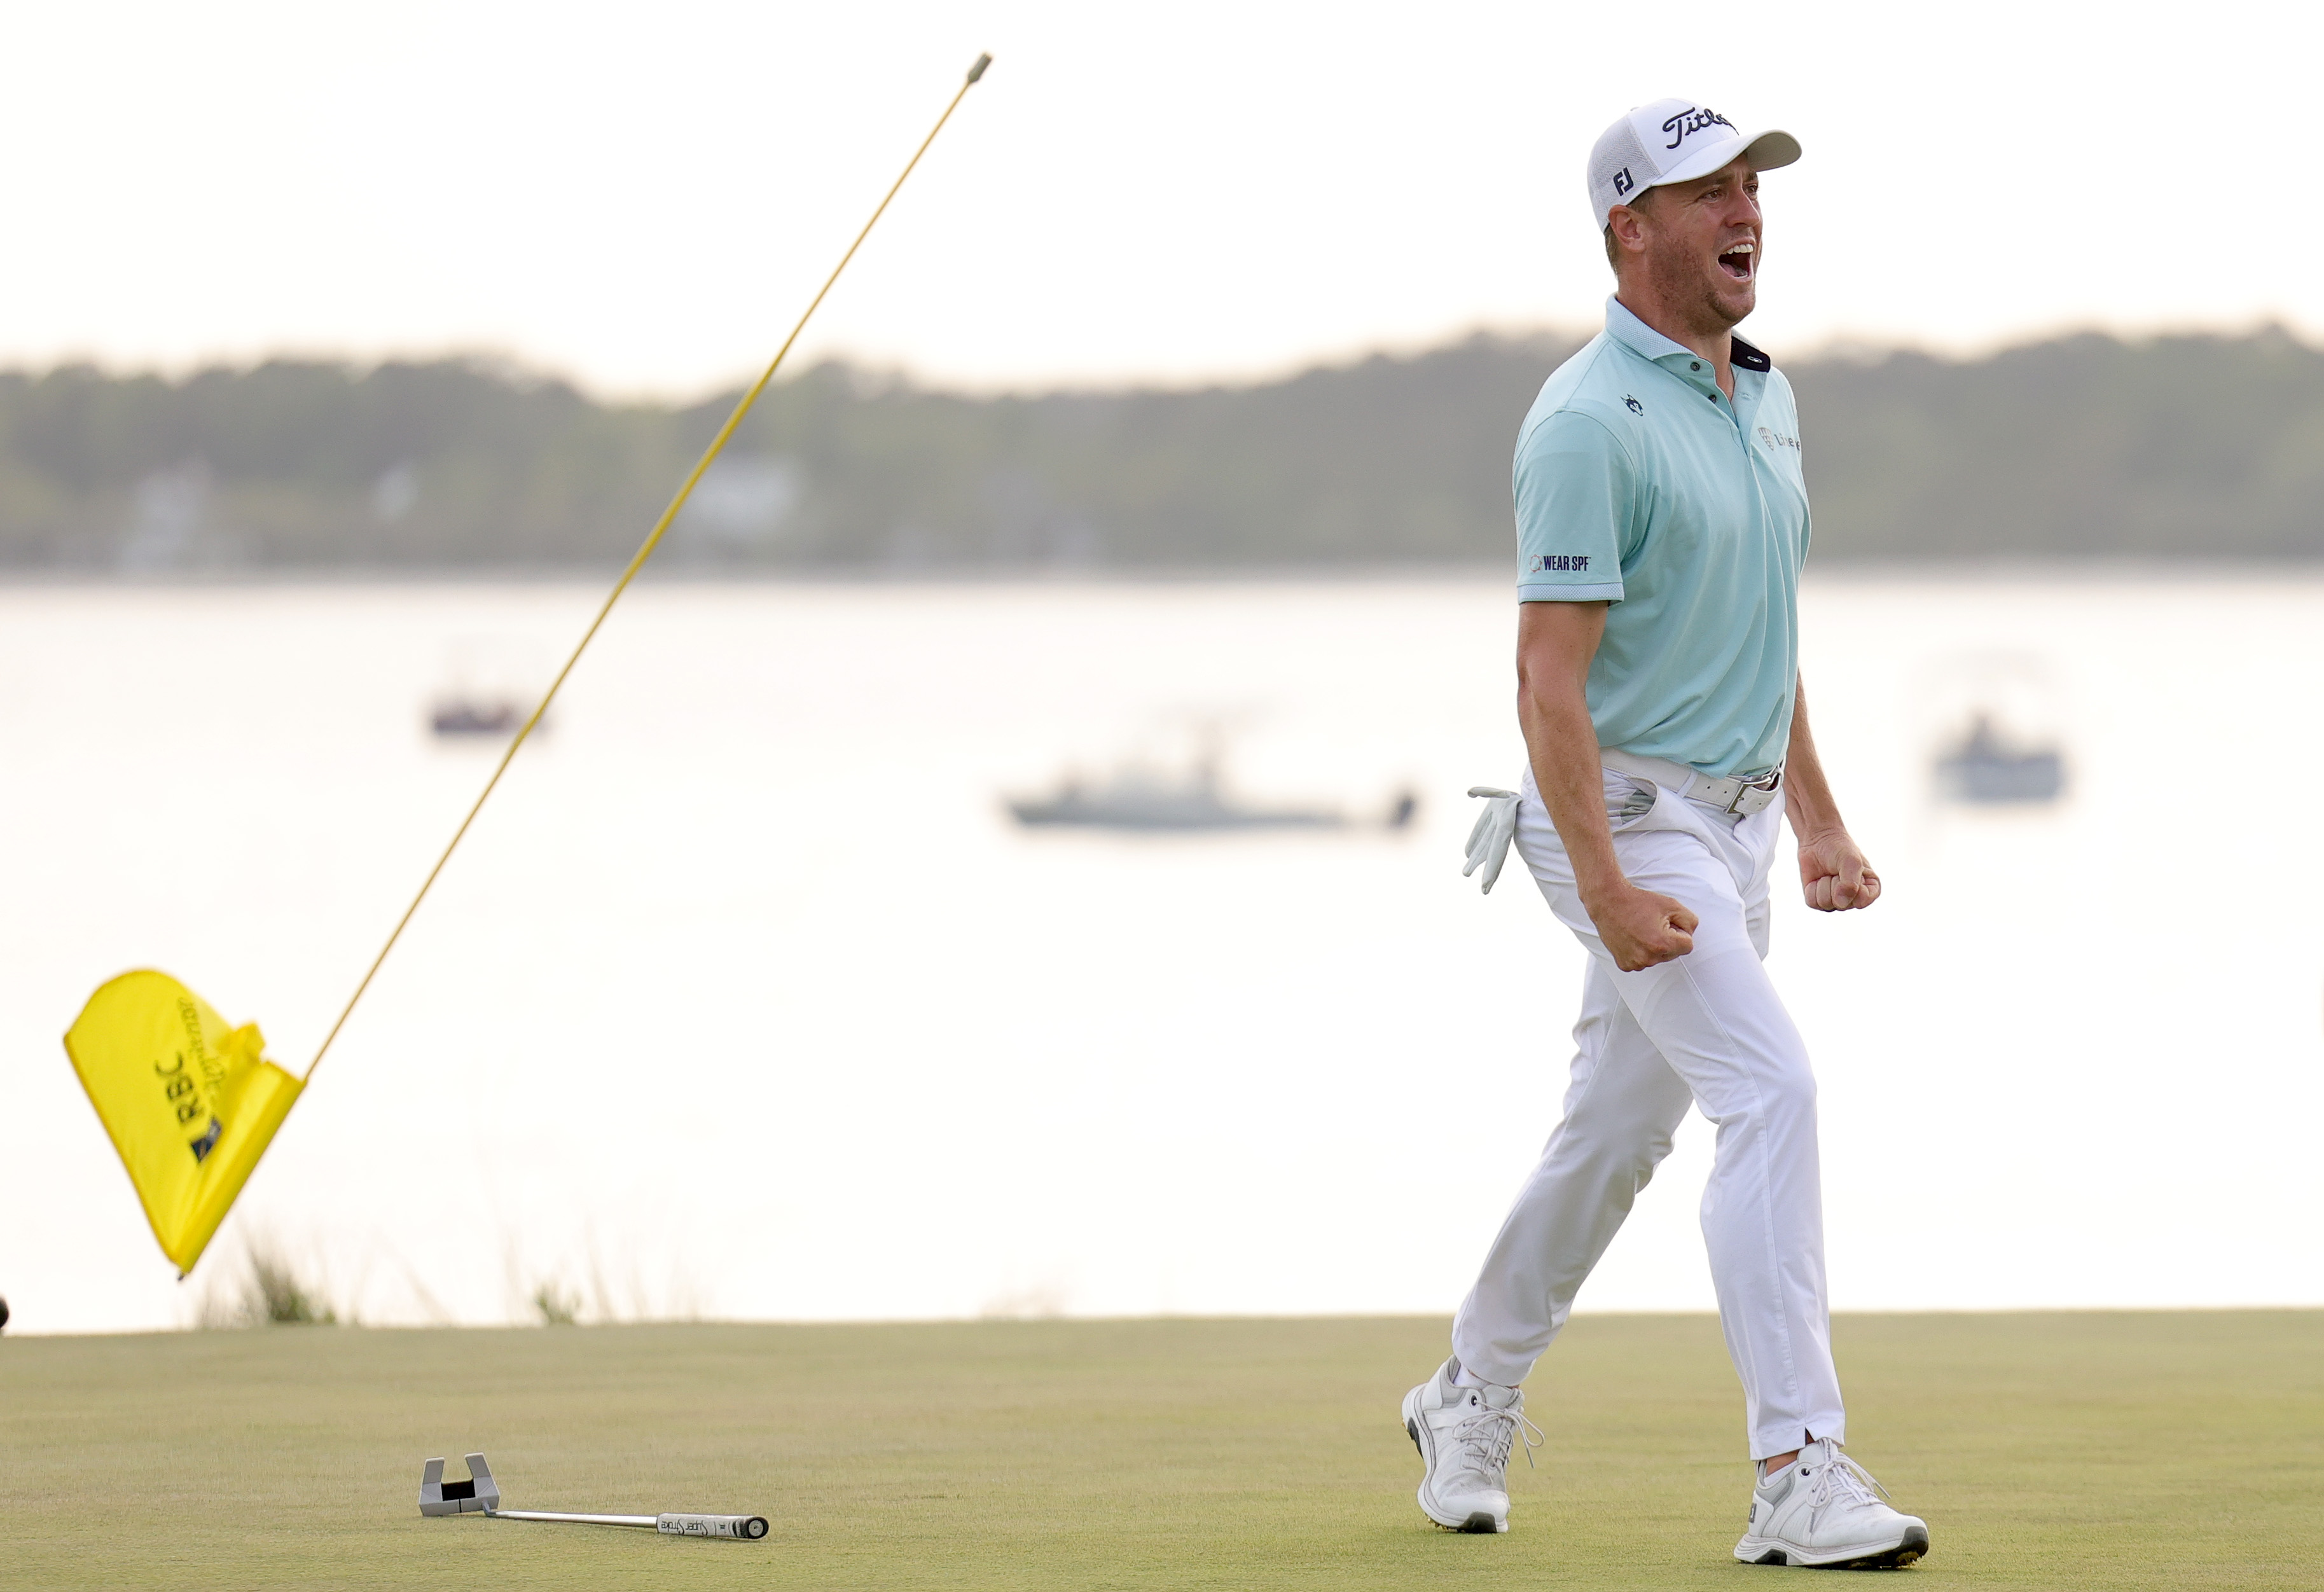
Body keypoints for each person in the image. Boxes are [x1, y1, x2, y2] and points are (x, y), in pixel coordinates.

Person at [1399, 99, 1931, 1570]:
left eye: (1752, 185)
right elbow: (1545, 683)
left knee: (1618, 1132)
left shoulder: (1767, 397)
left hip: (1735, 825)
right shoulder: (1585, 422)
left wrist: (1817, 820)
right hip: (1625, 821)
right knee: (1771, 1090)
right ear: (1630, 230)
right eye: (1709, 192)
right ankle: (1797, 1469)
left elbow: (1763, 632)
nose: (1745, 209)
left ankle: (1468, 1387)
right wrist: (1612, 887)